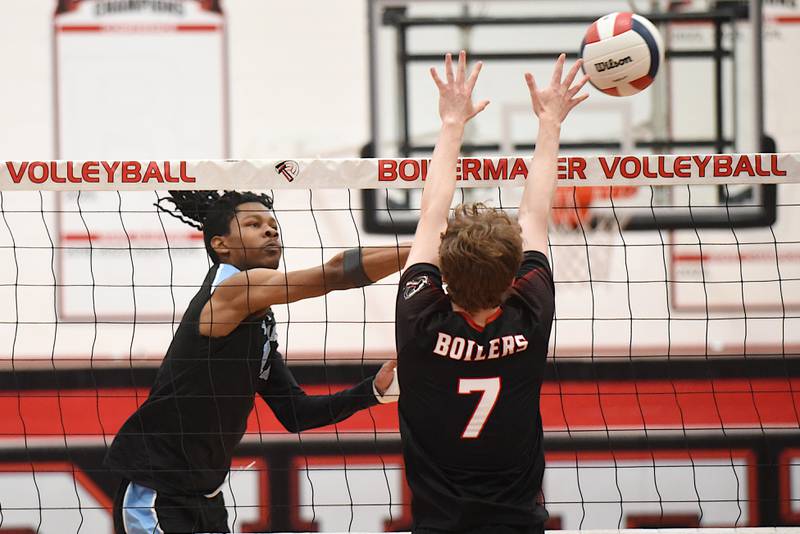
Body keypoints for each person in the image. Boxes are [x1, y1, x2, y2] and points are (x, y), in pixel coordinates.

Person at [106, 190, 407, 533]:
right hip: (159, 490)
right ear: (221, 245)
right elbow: (336, 272)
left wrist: (373, 390)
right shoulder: (232, 290)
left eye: (273, 225)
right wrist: (424, 253)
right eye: (254, 224)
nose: (270, 231)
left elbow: (297, 414)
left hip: (206, 495)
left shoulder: (261, 321)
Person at [395, 51, 589, 533]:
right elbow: (535, 216)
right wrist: (549, 123)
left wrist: (451, 122)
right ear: (511, 280)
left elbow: (431, 215)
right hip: (517, 523)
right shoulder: (529, 314)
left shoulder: (420, 321)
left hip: (437, 524)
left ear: (441, 270)